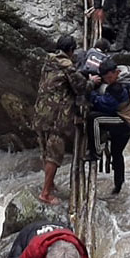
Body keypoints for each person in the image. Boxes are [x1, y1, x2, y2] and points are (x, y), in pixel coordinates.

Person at [33, 35, 90, 205]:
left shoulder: (49, 61)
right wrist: (92, 82)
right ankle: (46, 193)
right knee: (54, 155)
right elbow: (80, 87)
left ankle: (50, 184)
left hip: (41, 111)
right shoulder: (67, 66)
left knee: (45, 149)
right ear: (71, 51)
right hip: (56, 117)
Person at [86, 59, 130, 195]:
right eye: (105, 78)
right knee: (116, 153)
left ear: (116, 72)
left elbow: (102, 104)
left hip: (127, 121)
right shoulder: (126, 72)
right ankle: (118, 186)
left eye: (109, 78)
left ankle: (95, 152)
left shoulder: (118, 88)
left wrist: (91, 91)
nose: (108, 81)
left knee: (94, 119)